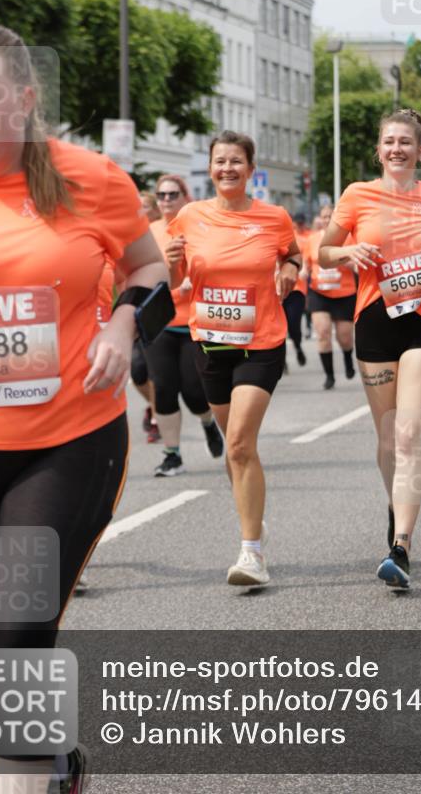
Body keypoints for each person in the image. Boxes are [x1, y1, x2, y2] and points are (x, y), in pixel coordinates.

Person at [0, 24, 168, 792]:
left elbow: (150, 269)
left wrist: (124, 323)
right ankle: (60, 764)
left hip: (69, 439)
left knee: (17, 638)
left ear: (25, 99)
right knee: (7, 638)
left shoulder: (94, 179)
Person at [319, 108, 421, 590]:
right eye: (389, 141)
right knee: (389, 438)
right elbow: (323, 251)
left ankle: (402, 547)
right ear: (379, 149)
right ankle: (396, 506)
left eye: (406, 142)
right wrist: (345, 252)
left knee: (410, 434)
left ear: (419, 150)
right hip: (374, 323)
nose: (397, 149)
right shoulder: (356, 195)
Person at [165, 130, 301, 588]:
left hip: (261, 342)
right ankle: (253, 519)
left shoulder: (274, 217)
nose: (227, 169)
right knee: (234, 447)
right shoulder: (188, 216)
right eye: (220, 161)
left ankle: (252, 555)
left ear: (250, 169)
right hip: (211, 343)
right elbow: (175, 277)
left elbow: (294, 256)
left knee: (240, 443)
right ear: (209, 169)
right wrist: (169, 263)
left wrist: (288, 270)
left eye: (236, 162)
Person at [145, 173, 224, 476]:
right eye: (162, 195)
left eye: (173, 194)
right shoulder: (149, 232)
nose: (166, 200)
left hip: (193, 321)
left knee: (193, 389)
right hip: (160, 322)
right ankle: (172, 454)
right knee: (163, 388)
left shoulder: (198, 229)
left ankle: (208, 423)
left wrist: (195, 279)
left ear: (185, 197)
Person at [305, 204, 357, 389]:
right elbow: (307, 266)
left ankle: (348, 359)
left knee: (345, 337)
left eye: (330, 216)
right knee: (323, 333)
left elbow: (356, 265)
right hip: (319, 293)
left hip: (345, 293)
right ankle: (329, 376)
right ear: (320, 219)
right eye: (324, 217)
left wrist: (340, 259)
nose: (327, 220)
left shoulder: (348, 239)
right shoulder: (312, 240)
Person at [282, 211, 310, 367]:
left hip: (296, 288)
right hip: (277, 290)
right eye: (296, 222)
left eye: (301, 223)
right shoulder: (282, 236)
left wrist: (304, 268)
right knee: (280, 326)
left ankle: (298, 346)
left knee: (294, 325)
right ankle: (282, 357)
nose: (298, 225)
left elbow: (304, 258)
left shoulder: (307, 237)